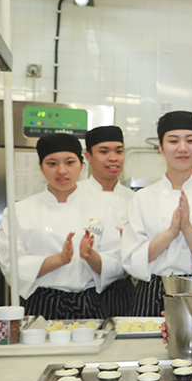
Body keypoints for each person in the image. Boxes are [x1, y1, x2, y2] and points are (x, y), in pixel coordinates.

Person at [0, 133, 123, 320]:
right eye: (52, 163)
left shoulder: (102, 209)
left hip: (89, 302)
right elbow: (10, 265)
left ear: (81, 165)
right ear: (41, 167)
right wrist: (60, 259)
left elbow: (117, 263)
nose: (62, 171)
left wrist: (90, 256)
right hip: (40, 302)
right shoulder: (18, 211)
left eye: (70, 162)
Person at [122, 111, 192, 316]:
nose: (182, 148)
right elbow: (132, 259)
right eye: (173, 140)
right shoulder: (142, 198)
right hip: (151, 291)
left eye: (190, 140)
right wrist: (171, 232)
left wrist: (188, 229)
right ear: (161, 147)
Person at [80, 125, 136, 315]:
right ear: (88, 156)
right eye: (104, 151)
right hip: (83, 291)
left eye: (119, 151)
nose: (113, 158)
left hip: (123, 290)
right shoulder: (76, 195)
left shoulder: (134, 200)